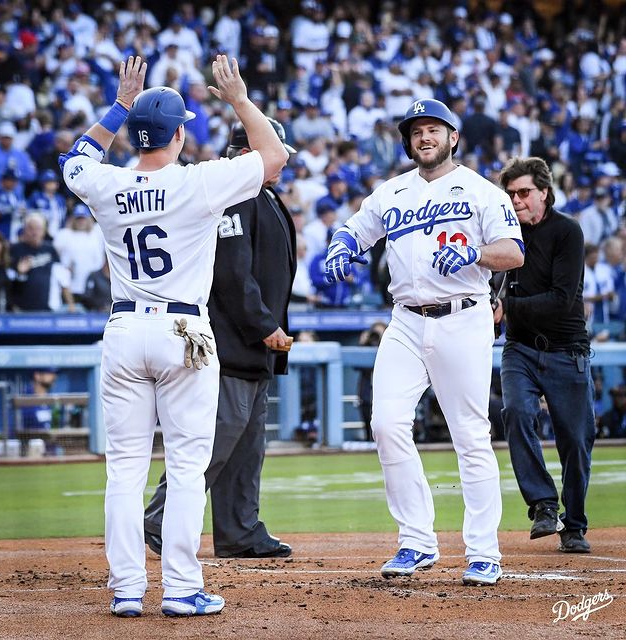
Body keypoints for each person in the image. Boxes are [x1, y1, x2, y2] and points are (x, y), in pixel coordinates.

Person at [59, 56, 289, 618]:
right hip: (183, 330)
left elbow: (74, 160)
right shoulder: (198, 181)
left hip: (123, 329)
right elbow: (274, 157)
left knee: (125, 469)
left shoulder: (108, 182)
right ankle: (182, 589)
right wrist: (237, 97)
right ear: (180, 134)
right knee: (187, 466)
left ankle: (126, 589)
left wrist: (118, 104)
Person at [324, 98, 524, 586]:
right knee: (386, 423)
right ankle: (416, 540)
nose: (424, 136)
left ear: (453, 137)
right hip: (406, 321)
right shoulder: (392, 192)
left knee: (470, 435)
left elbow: (514, 251)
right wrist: (342, 246)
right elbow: (355, 228)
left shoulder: (480, 190)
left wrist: (475, 252)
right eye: (416, 131)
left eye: (434, 128)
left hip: (462, 316)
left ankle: (483, 551)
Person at [144, 116, 296, 559]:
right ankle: (160, 518)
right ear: (248, 154)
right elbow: (231, 273)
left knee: (247, 447)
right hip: (228, 343)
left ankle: (240, 531)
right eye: (275, 153)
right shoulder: (231, 196)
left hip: (254, 348)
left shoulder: (262, 196)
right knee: (214, 438)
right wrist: (263, 325)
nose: (283, 163)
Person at [496, 157, 595, 554]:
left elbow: (561, 298)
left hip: (567, 349)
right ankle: (542, 504)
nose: (516, 200)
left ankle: (574, 525)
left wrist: (507, 307)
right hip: (519, 348)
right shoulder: (505, 235)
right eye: (510, 194)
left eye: (523, 192)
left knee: (575, 440)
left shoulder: (567, 232)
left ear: (544, 193)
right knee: (516, 412)